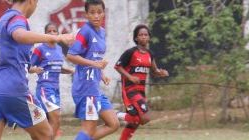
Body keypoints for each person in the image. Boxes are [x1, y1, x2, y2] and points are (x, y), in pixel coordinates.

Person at [0, 0, 74, 139]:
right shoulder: (18, 18)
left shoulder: (1, 22)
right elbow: (19, 35)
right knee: (46, 135)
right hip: (12, 91)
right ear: (31, 1)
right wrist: (55, 38)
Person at [65, 0, 120, 139]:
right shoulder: (85, 31)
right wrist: (95, 65)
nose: (96, 16)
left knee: (113, 123)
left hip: (94, 87)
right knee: (88, 129)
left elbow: (94, 58)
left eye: (99, 12)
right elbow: (71, 55)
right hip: (85, 87)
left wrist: (101, 74)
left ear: (104, 13)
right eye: (92, 12)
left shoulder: (101, 32)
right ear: (86, 15)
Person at [114, 24, 169, 140]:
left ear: (149, 37)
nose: (143, 37)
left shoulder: (149, 54)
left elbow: (154, 71)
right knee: (145, 118)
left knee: (136, 121)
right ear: (136, 38)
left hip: (141, 91)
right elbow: (118, 66)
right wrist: (130, 77)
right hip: (130, 91)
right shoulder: (130, 52)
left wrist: (161, 73)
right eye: (141, 35)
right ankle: (115, 115)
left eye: (146, 35)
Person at [28, 23, 74, 139]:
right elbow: (28, 67)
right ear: (45, 34)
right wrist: (34, 69)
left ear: (58, 34)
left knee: (45, 122)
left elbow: (56, 68)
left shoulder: (59, 49)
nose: (52, 33)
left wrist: (70, 71)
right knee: (56, 117)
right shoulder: (40, 49)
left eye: (55, 31)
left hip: (55, 89)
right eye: (49, 31)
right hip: (45, 88)